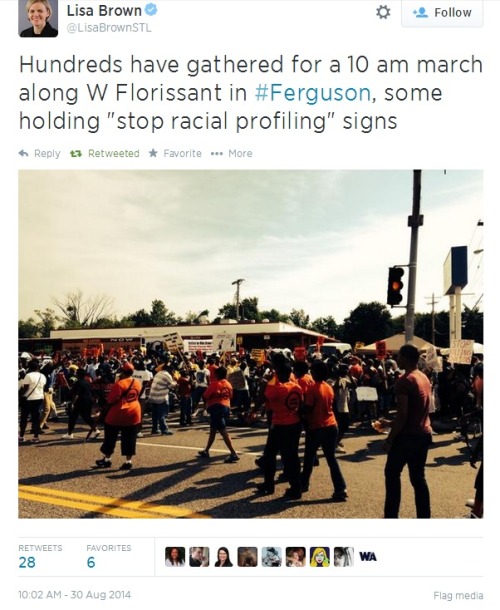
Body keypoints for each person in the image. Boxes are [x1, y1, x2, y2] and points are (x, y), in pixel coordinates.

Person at [383, 344, 433, 518]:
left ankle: (391, 516)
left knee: (392, 473)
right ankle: (424, 517)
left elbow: (403, 415)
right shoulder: (423, 377)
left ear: (405, 358)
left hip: (408, 437)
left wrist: (389, 439)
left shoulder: (404, 381)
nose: (397, 360)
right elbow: (414, 410)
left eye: (399, 356)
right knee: (418, 478)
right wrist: (391, 422)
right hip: (424, 433)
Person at [300, 360, 348, 502]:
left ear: (315, 372)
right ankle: (341, 488)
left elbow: (308, 408)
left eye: (312, 370)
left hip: (316, 427)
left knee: (309, 457)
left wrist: (298, 410)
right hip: (331, 425)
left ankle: (303, 484)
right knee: (331, 458)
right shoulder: (328, 387)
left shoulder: (312, 388)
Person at [257, 361, 303, 499]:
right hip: (295, 423)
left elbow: (262, 398)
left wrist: (265, 383)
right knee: (292, 457)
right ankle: (296, 488)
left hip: (280, 425)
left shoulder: (278, 389)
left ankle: (269, 485)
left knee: (270, 456)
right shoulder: (297, 387)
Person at [94, 361, 142, 471]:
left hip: (117, 414)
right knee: (130, 438)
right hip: (134, 412)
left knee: (110, 438)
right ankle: (128, 461)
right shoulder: (137, 382)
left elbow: (111, 399)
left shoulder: (119, 384)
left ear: (122, 372)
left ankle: (107, 459)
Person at [197, 367, 239, 463]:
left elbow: (206, 395)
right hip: (225, 407)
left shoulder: (215, 384)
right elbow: (231, 396)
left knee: (223, 431)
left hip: (216, 408)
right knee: (213, 429)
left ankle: (233, 453)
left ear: (218, 375)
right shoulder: (228, 384)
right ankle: (206, 450)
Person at [62, 368, 100, 440]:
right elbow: (92, 392)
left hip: (80, 402)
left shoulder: (78, 382)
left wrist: (72, 403)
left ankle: (70, 433)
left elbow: (76, 394)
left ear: (78, 374)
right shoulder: (87, 382)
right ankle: (95, 429)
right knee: (86, 417)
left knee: (72, 417)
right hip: (88, 401)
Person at [19, 359, 46, 443]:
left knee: (24, 418)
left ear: (29, 367)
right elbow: (43, 387)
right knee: (36, 418)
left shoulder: (28, 375)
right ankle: (36, 437)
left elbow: (25, 388)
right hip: (39, 398)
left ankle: (21, 436)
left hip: (28, 399)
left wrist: (20, 395)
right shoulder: (42, 376)